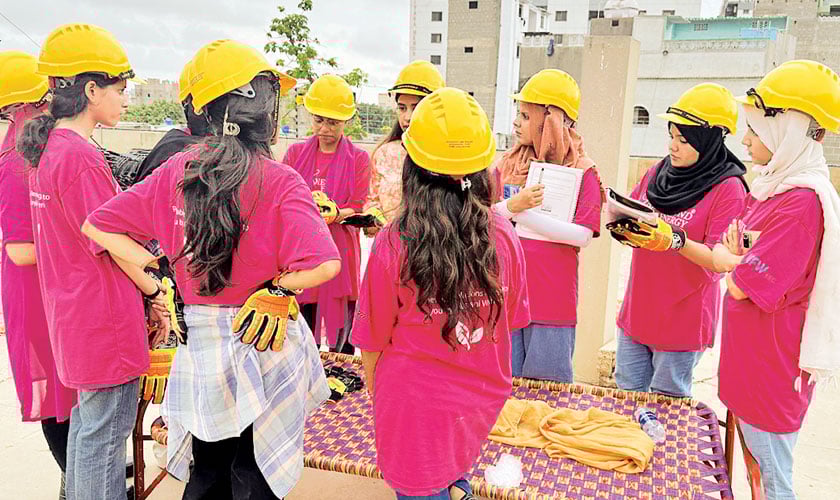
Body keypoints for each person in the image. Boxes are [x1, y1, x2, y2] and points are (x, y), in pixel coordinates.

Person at [83, 39, 340, 500]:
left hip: (202, 343)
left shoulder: (177, 170)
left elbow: (97, 226)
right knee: (256, 466)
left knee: (208, 463)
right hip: (264, 336)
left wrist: (158, 268)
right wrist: (278, 291)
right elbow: (324, 264)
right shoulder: (280, 180)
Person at [352, 87, 531, 499]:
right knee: (452, 477)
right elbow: (512, 322)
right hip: (478, 405)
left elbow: (373, 342)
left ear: (413, 165)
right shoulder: (504, 234)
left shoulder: (395, 241)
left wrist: (383, 404)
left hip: (413, 409)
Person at [17, 24, 168, 500]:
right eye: (120, 90)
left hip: (73, 317)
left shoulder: (47, 151)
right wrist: (155, 291)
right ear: (90, 89)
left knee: (88, 432)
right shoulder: (80, 157)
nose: (126, 100)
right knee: (103, 442)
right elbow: (110, 238)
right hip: (104, 320)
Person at [712, 60, 840, 499]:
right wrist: (737, 258)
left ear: (787, 130)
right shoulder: (771, 188)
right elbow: (730, 252)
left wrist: (736, 260)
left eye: (755, 130)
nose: (745, 140)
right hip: (749, 369)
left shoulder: (802, 203)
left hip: (770, 376)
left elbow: (741, 283)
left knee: (771, 484)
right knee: (754, 477)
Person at [607, 83, 749, 398]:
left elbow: (719, 260)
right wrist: (625, 230)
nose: (673, 146)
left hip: (682, 321)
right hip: (637, 313)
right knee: (626, 402)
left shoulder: (728, 189)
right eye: (671, 136)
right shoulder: (658, 173)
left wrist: (674, 239)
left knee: (667, 412)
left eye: (683, 140)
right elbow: (635, 210)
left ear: (709, 142)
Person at [492, 69, 604, 383]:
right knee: (504, 389)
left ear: (552, 119)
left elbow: (582, 234)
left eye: (526, 116)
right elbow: (480, 216)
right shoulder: (507, 164)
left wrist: (524, 215)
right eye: (518, 114)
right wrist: (511, 207)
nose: (516, 122)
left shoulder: (584, 172)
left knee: (549, 397)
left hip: (553, 305)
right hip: (507, 299)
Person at [0, 49, 77, 498]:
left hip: (52, 284)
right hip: (34, 290)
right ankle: (76, 476)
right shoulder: (15, 160)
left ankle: (81, 469)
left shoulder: (36, 148)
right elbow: (22, 249)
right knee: (52, 391)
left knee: (70, 388)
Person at [283, 74, 370, 354]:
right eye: (319, 120)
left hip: (340, 253)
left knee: (339, 342)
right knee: (300, 338)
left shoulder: (358, 159)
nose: (325, 128)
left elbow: (357, 206)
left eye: (333, 122)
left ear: (346, 122)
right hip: (303, 255)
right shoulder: (295, 154)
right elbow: (283, 200)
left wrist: (337, 213)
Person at [362, 60, 445, 235]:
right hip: (389, 249)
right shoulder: (384, 154)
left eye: (416, 108)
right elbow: (372, 201)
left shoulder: (449, 157)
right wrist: (372, 219)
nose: (407, 117)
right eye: (402, 108)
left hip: (434, 253)